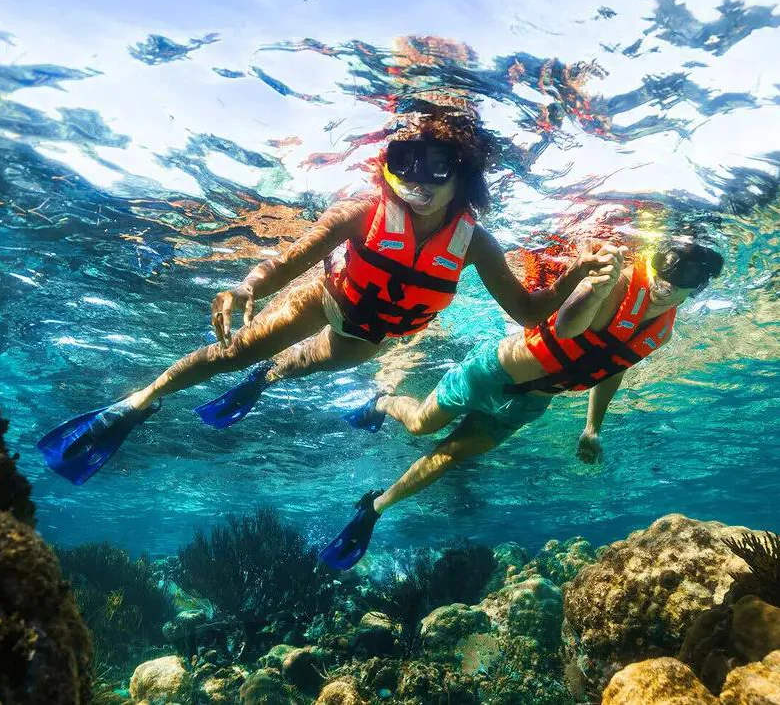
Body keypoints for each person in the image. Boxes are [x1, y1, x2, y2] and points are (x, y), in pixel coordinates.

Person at [36, 109, 616, 485]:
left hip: (373, 336)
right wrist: (247, 286)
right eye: (403, 162)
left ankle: (265, 380)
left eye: (436, 167)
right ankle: (138, 401)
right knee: (231, 351)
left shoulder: (474, 242)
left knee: (295, 367)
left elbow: (526, 313)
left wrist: (571, 283)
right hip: (326, 301)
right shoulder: (362, 211)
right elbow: (292, 257)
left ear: (463, 175)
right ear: (387, 168)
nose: (417, 179)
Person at [320, 239, 724, 569]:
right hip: (491, 374)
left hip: (531, 405)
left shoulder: (662, 333)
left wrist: (592, 427)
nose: (667, 282)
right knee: (421, 425)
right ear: (651, 262)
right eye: (662, 267)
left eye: (685, 276)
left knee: (447, 458)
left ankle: (374, 509)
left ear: (698, 286)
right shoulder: (614, 283)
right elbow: (567, 327)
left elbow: (611, 367)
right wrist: (595, 289)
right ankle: (384, 400)